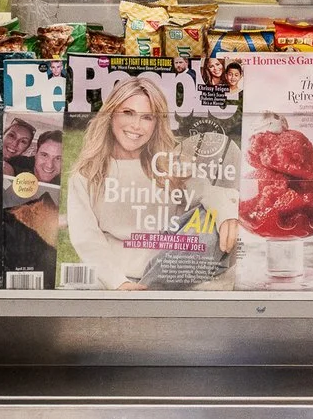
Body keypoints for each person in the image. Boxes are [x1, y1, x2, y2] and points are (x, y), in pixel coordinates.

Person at [64, 72, 241, 290]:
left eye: (147, 117)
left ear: (156, 123)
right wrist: (118, 283)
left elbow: (207, 192)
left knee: (212, 217)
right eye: (128, 113)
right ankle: (150, 289)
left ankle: (153, 287)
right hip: (117, 277)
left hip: (169, 268)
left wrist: (225, 214)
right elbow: (86, 238)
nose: (136, 126)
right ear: (111, 115)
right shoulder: (87, 174)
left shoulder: (168, 164)